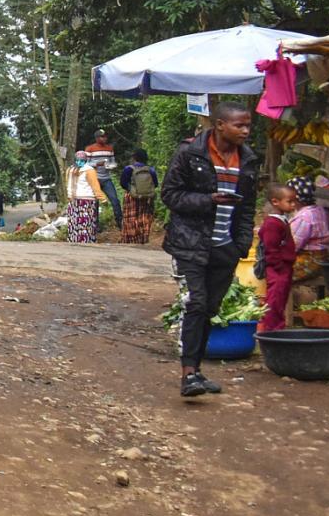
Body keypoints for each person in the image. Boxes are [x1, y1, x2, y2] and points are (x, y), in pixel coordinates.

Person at [162, 101, 257, 398]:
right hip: (189, 244)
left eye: (248, 125)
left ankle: (197, 369)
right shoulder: (190, 153)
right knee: (196, 303)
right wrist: (208, 200)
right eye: (239, 125)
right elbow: (170, 195)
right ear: (219, 125)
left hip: (224, 248)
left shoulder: (248, 159)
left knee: (209, 309)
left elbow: (247, 207)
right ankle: (188, 373)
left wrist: (240, 246)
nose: (245, 130)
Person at [258, 183, 299, 333]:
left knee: (281, 298)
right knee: (275, 299)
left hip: (285, 266)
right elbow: (271, 248)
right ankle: (270, 328)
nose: (293, 205)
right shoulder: (272, 223)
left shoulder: (282, 219)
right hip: (278, 268)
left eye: (294, 201)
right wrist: (278, 266)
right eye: (289, 201)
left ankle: (278, 327)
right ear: (275, 202)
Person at [288, 175, 329, 312]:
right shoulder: (318, 209)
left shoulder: (304, 217)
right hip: (322, 258)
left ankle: (283, 311)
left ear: (295, 198)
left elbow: (293, 246)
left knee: (279, 272)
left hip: (310, 261)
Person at [64, 150, 108, 244]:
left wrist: (69, 197)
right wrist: (103, 199)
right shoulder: (89, 170)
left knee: (75, 223)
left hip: (73, 200)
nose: (79, 162)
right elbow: (95, 186)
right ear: (86, 160)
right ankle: (86, 242)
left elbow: (68, 185)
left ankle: (74, 242)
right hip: (87, 201)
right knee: (86, 224)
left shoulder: (70, 170)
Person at [119, 149, 159, 245]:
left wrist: (132, 190)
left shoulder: (128, 169)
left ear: (134, 157)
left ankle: (130, 239)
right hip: (146, 198)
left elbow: (123, 183)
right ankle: (143, 239)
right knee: (144, 218)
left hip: (131, 198)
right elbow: (155, 184)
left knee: (130, 219)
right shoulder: (151, 170)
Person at [84, 129, 122, 227]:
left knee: (115, 200)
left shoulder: (109, 149)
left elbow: (113, 162)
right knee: (94, 203)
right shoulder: (90, 149)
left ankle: (120, 222)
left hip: (106, 178)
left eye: (105, 136)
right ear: (97, 138)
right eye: (102, 136)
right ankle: (95, 225)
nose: (105, 138)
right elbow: (85, 164)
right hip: (94, 179)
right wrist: (97, 164)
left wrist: (112, 166)